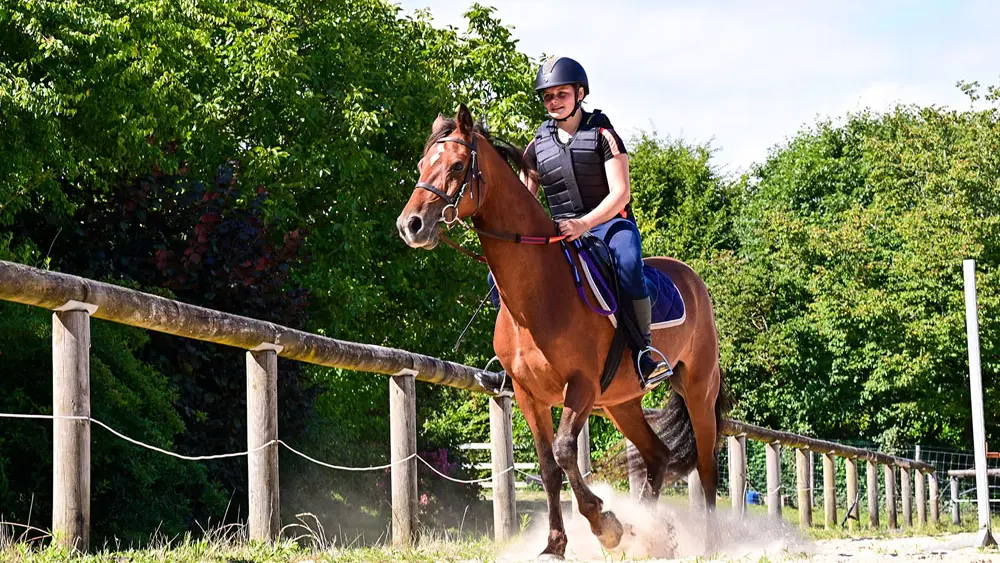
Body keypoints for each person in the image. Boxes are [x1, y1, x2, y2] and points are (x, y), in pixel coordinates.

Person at [478, 56, 670, 393]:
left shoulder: (603, 134)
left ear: (579, 93)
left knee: (627, 265)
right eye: (548, 97)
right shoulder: (537, 146)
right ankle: (513, 365)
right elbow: (524, 198)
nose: (553, 102)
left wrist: (584, 223)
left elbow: (621, 194)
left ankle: (644, 353)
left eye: (561, 94)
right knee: (499, 274)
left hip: (610, 225)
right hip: (562, 233)